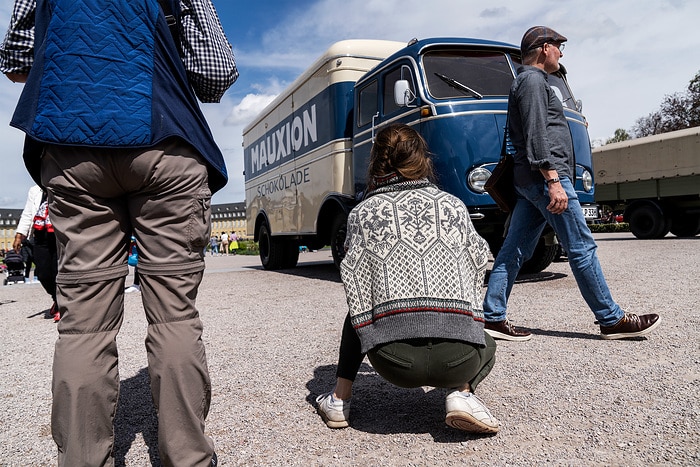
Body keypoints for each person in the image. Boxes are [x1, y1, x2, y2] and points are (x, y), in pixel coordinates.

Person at [0, 0, 237, 465]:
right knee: (173, 317)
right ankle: (186, 457)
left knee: (83, 327)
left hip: (72, 150)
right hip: (163, 144)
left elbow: (16, 61)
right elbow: (215, 72)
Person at [316, 124, 499, 434]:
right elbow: (481, 258)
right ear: (421, 159)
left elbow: (353, 275)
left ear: (377, 161)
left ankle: (338, 400)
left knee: (360, 306)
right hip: (460, 360)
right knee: (489, 342)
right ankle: (461, 394)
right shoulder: (454, 206)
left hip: (393, 363)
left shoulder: (361, 214)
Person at [482, 26, 660, 342]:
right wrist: (553, 180)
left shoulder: (530, 82)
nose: (562, 53)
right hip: (545, 179)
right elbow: (537, 134)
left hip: (532, 181)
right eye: (559, 47)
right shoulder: (533, 81)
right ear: (543, 48)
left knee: (514, 250)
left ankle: (493, 317)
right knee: (581, 246)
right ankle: (611, 319)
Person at [14, 184, 59, 321]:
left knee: (58, 271)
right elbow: (27, 213)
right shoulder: (34, 190)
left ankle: (63, 305)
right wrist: (19, 234)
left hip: (59, 234)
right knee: (43, 273)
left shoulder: (61, 183)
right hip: (39, 235)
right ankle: (57, 298)